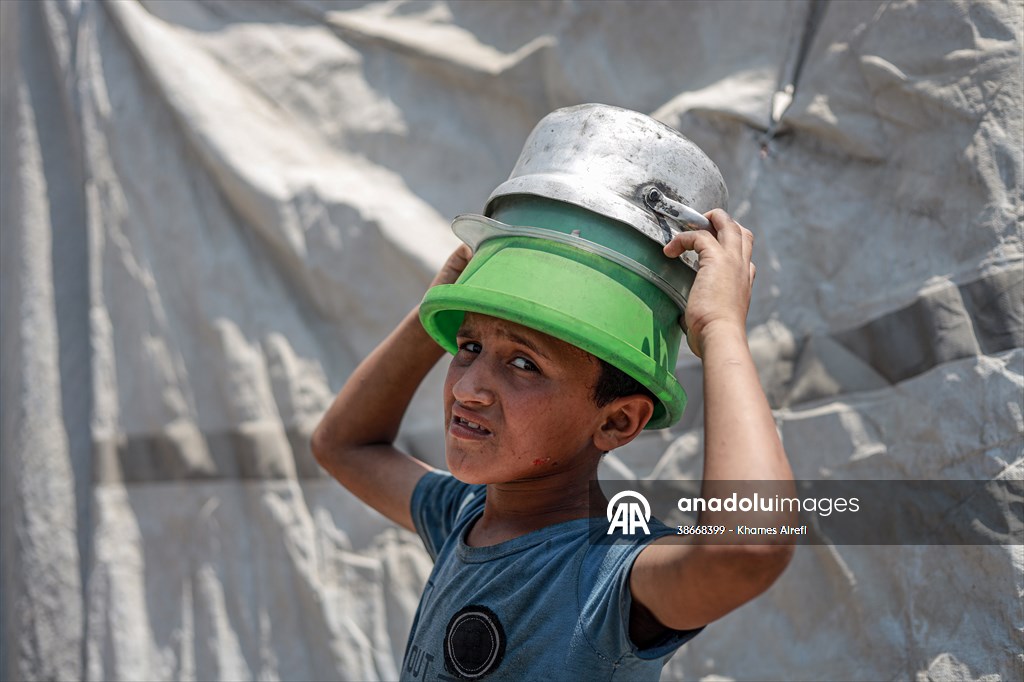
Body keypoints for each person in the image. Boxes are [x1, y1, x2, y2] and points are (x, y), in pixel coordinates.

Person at [312, 107, 794, 681]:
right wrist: (436, 307)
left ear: (617, 422)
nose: (468, 389)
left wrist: (718, 329)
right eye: (467, 347)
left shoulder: (606, 576)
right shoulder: (464, 519)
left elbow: (747, 548)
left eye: (523, 363)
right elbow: (343, 445)